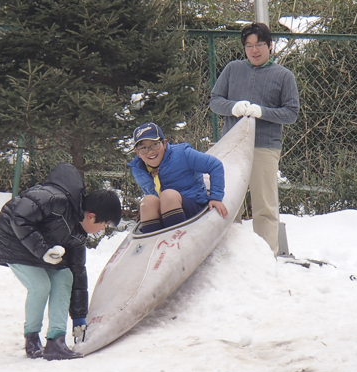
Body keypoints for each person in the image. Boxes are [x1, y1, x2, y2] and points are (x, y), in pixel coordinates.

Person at [0, 162, 122, 360]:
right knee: (41, 285)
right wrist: (43, 250)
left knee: (64, 276)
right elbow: (20, 218)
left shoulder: (78, 235)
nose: (102, 231)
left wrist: (78, 317)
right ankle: (31, 337)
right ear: (92, 217)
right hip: (12, 240)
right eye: (104, 225)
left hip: (42, 249)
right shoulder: (55, 200)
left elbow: (78, 272)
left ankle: (56, 341)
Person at [209, 22, 299, 257]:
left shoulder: (283, 76)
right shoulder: (232, 69)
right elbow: (215, 101)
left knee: (264, 206)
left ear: (270, 45)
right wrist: (233, 107)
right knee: (228, 203)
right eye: (249, 46)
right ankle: (227, 255)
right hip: (233, 147)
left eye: (259, 44)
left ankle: (265, 258)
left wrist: (264, 112)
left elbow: (291, 113)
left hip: (265, 147)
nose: (254, 50)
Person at [128, 122, 228, 233]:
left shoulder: (182, 154)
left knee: (168, 195)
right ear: (137, 152)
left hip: (193, 207)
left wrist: (216, 197)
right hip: (166, 213)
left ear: (164, 143)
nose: (150, 151)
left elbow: (215, 165)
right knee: (148, 201)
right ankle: (153, 243)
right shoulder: (139, 170)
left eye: (155, 145)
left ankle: (178, 239)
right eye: (143, 148)